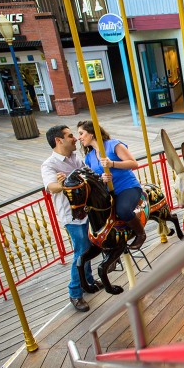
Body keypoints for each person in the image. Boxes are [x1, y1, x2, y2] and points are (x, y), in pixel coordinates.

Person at [41, 125, 102, 312]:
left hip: (86, 209)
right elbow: (52, 186)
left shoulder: (76, 158)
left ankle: (88, 280)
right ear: (59, 141)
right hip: (72, 215)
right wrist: (62, 183)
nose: (74, 138)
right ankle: (75, 292)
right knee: (81, 251)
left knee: (88, 247)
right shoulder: (49, 164)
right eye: (69, 136)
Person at [76, 120, 146, 250]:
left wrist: (112, 164)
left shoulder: (113, 145)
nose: (78, 137)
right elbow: (94, 179)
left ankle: (140, 233)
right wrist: (102, 179)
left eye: (81, 133)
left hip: (127, 187)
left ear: (91, 133)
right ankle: (113, 248)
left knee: (123, 210)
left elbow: (133, 163)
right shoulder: (89, 157)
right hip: (107, 192)